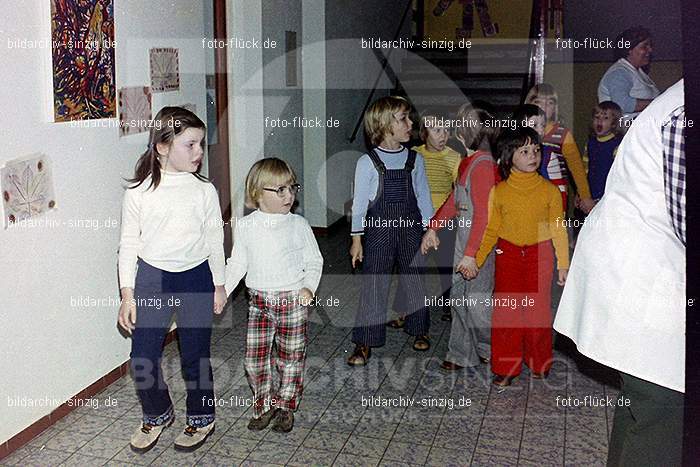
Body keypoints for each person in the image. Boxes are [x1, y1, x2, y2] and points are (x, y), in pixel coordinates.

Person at [554, 79, 685, 467]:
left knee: (644, 404)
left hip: (644, 271)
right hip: (644, 279)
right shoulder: (683, 115)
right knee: (667, 409)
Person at [117, 107, 226, 452]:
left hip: (196, 277)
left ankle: (202, 417)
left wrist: (219, 284)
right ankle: (157, 413)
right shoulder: (138, 192)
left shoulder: (204, 190)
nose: (198, 153)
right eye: (190, 145)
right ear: (162, 147)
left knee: (195, 354)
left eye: (201, 145)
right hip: (152, 278)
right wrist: (127, 295)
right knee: (142, 357)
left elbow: (214, 240)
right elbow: (128, 245)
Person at [224, 158, 323, 433]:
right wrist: (221, 291)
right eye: (279, 190)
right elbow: (237, 264)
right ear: (257, 193)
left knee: (290, 357)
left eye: (292, 188)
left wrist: (309, 287)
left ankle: (286, 405)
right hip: (259, 303)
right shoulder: (245, 226)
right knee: (254, 359)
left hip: (292, 301)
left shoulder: (298, 225)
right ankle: (263, 403)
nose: (289, 195)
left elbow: (315, 261)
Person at [469, 127, 569, 387]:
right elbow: (491, 231)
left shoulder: (549, 191)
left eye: (536, 150)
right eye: (524, 151)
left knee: (537, 312)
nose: (532, 155)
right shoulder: (499, 192)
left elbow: (557, 227)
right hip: (508, 254)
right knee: (508, 314)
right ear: (508, 156)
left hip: (541, 255)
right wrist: (477, 260)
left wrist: (563, 264)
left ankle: (539, 361)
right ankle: (506, 366)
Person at [348, 95, 434, 366]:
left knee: (415, 279)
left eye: (410, 117)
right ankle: (365, 341)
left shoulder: (415, 160)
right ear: (385, 125)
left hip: (410, 229)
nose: (411, 123)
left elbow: (423, 196)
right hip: (378, 231)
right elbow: (360, 204)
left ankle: (419, 328)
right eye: (403, 119)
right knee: (374, 283)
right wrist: (356, 239)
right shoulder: (367, 162)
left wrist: (430, 228)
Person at [421, 104, 499, 371]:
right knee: (458, 299)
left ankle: (493, 347)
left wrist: (471, 254)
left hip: (478, 245)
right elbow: (455, 201)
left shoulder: (484, 166)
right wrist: (433, 227)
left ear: (465, 132)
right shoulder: (466, 162)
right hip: (462, 242)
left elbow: (483, 217)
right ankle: (460, 354)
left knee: (477, 303)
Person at [413, 108, 461, 322]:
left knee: (446, 266)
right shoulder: (414, 154)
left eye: (446, 130)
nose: (443, 135)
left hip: (444, 222)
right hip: (418, 220)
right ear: (424, 133)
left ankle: (448, 304)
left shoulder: (453, 157)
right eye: (436, 130)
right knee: (413, 265)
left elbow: (458, 190)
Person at [525, 84, 595, 214]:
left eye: (549, 103)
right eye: (539, 102)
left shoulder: (563, 134)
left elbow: (576, 167)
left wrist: (585, 196)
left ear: (555, 107)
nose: (544, 107)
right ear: (529, 103)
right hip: (526, 192)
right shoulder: (521, 131)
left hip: (556, 193)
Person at [598, 27, 660, 125]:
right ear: (629, 49)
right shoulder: (619, 73)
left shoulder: (638, 72)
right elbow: (621, 104)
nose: (650, 50)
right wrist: (658, 103)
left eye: (650, 45)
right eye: (645, 46)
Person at [582, 101, 624, 202]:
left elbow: (619, 176)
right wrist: (582, 193)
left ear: (614, 123)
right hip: (590, 194)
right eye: (597, 118)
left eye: (605, 118)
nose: (599, 121)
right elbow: (584, 170)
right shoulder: (590, 143)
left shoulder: (617, 145)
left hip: (608, 197)